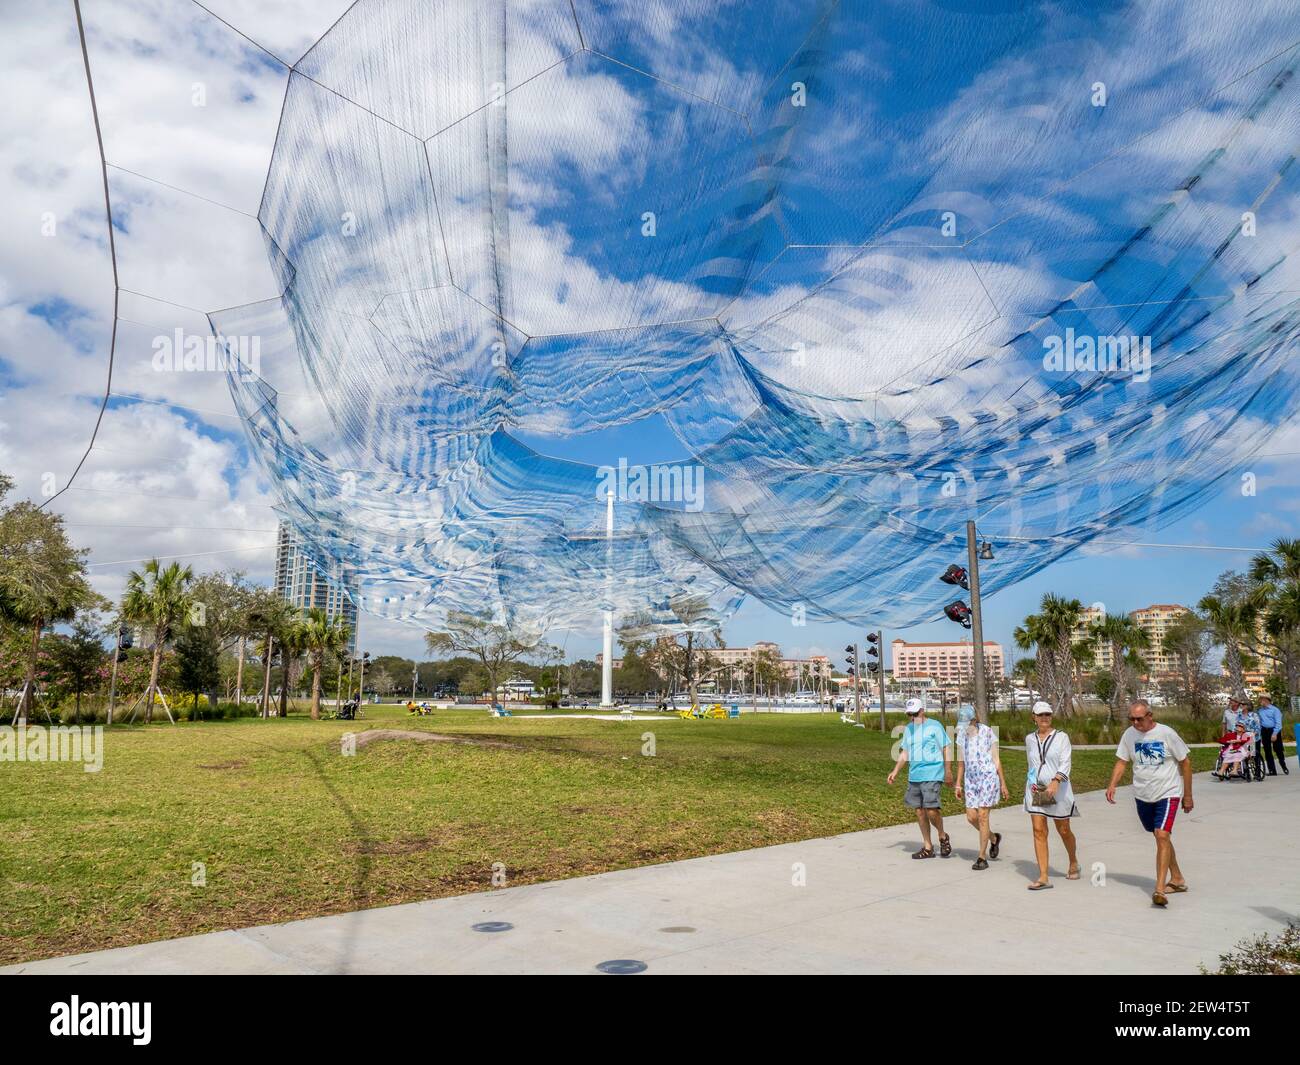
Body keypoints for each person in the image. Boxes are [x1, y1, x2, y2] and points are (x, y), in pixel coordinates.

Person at [1105, 698, 1193, 907]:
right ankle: (1178, 878)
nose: (1135, 723)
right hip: (1143, 793)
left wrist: (1187, 795)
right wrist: (1112, 784)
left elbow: (1185, 762)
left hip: (1168, 792)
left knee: (1162, 835)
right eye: (1132, 719)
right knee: (1157, 833)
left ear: (1150, 716)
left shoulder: (1167, 733)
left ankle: (1160, 889)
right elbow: (1122, 761)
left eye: (1139, 719)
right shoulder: (1129, 734)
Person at [887, 697, 954, 859]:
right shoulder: (909, 729)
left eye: (915, 713)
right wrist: (895, 771)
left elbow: (946, 748)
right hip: (915, 775)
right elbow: (905, 752)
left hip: (933, 773)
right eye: (910, 714)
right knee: (919, 811)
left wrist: (948, 770)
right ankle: (928, 847)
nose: (912, 717)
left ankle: (942, 835)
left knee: (931, 810)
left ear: (922, 711)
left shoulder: (935, 726)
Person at [1024, 701, 1079, 890]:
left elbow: (1066, 762)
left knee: (1063, 829)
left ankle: (1073, 861)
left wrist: (1056, 781)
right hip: (1037, 789)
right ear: (1034, 717)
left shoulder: (1062, 737)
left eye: (1047, 714)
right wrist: (1032, 783)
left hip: (1058, 789)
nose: (1044, 718)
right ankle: (1043, 876)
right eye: (1040, 715)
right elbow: (1031, 764)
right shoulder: (1029, 739)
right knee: (1039, 830)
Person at [954, 703, 1009, 869]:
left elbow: (996, 759)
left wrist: (1003, 783)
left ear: (973, 719)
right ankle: (993, 838)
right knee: (972, 817)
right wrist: (958, 784)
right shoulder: (961, 736)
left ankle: (981, 857)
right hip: (971, 780)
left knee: (983, 815)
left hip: (987, 778)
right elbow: (961, 763)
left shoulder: (987, 732)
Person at [1257, 695, 1289, 776]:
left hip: (1274, 730)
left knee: (1278, 750)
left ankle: (1283, 765)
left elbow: (1278, 723)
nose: (1260, 701)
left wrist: (1274, 734)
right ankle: (1272, 770)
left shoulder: (1275, 710)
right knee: (1267, 751)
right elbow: (1260, 722)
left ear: (1266, 700)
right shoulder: (1260, 711)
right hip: (1264, 731)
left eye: (1261, 699)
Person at [1240, 702, 1264, 778]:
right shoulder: (1239, 716)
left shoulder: (1254, 715)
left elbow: (1258, 726)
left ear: (1248, 706)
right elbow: (1236, 726)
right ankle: (1246, 771)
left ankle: (1258, 772)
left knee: (1254, 754)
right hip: (1243, 737)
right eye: (1242, 705)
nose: (1242, 706)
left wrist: (1254, 733)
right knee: (1244, 754)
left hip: (1254, 737)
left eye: (1244, 704)